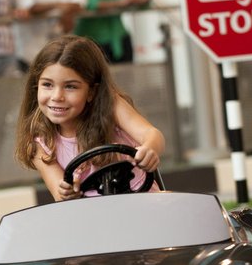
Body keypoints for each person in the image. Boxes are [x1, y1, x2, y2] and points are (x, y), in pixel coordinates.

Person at [14, 35, 164, 201]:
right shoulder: (39, 144)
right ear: (36, 86)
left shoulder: (111, 105)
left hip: (144, 207)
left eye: (70, 87)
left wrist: (150, 148)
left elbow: (151, 134)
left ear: (91, 92)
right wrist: (66, 191)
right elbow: (59, 193)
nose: (57, 96)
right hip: (92, 218)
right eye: (47, 85)